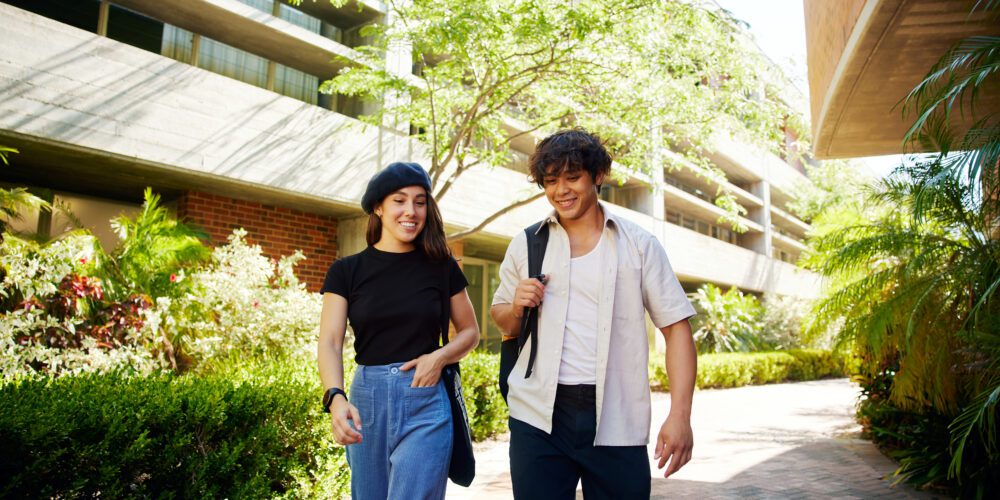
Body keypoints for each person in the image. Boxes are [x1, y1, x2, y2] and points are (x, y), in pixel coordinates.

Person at [490, 129, 697, 499]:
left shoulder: (639, 245)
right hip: (537, 416)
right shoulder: (527, 243)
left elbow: (677, 329)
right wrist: (518, 305)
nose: (561, 190)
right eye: (550, 181)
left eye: (572, 177)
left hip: (616, 416)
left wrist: (680, 415)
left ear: (597, 175)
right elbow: (504, 320)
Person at [317, 162, 481, 500]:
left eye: (420, 202)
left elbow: (470, 332)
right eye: (399, 201)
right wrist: (335, 398)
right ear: (378, 207)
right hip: (367, 401)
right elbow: (331, 342)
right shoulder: (346, 271)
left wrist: (439, 357)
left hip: (425, 397)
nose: (411, 211)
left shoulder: (442, 266)